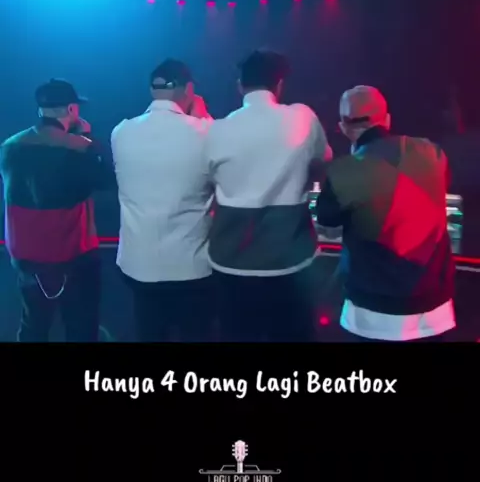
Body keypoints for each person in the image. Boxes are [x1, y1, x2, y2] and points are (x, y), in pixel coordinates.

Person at [206, 49, 333, 341]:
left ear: (240, 85)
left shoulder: (216, 130)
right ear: (279, 85)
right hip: (290, 261)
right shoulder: (303, 117)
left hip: (231, 260)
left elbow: (207, 181)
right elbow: (322, 162)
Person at [315, 85, 456, 341]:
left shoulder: (342, 171)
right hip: (434, 311)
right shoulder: (433, 153)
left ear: (343, 127)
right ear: (387, 120)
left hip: (370, 315)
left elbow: (326, 221)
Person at [0, 79, 113, 342]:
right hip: (73, 257)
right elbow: (106, 180)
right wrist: (87, 138)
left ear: (40, 110)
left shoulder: (8, 147)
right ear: (72, 109)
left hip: (26, 258)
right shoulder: (79, 147)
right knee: (81, 328)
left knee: (33, 326)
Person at [111, 59, 215, 342]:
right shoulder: (205, 132)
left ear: (151, 90)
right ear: (189, 89)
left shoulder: (121, 132)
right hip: (191, 266)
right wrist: (203, 116)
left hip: (138, 265)